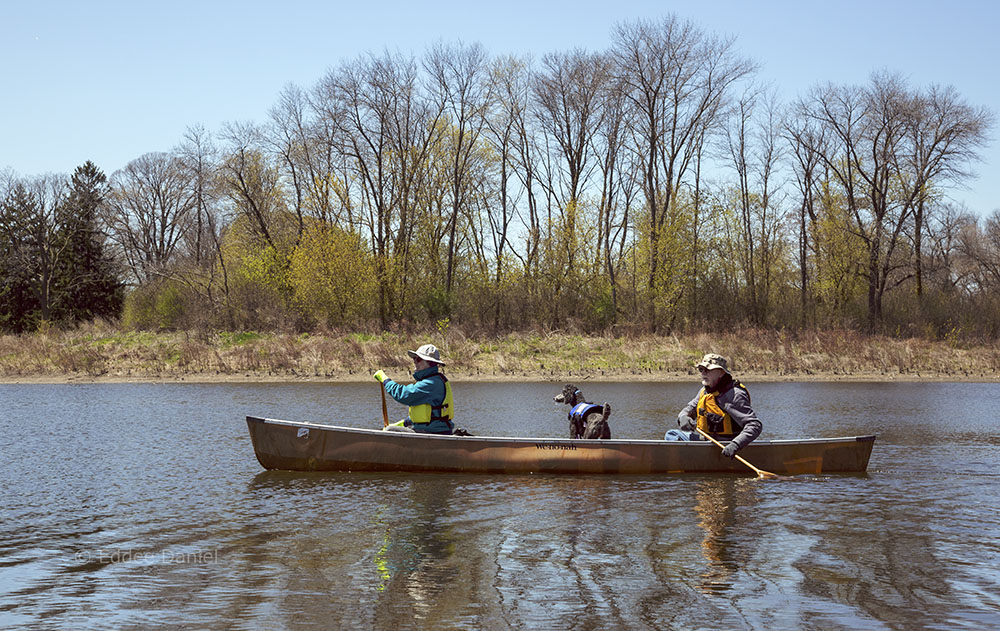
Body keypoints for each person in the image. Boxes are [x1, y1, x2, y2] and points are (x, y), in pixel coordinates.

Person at [664, 353, 762, 458]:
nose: (703, 373)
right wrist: (683, 417)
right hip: (705, 441)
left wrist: (736, 444)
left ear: (721, 372)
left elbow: (754, 425)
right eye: (701, 369)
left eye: (708, 370)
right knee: (672, 434)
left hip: (726, 445)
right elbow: (688, 410)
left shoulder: (734, 395)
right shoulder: (705, 391)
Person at [373, 344, 455, 435]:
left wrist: (385, 380)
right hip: (429, 430)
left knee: (389, 430)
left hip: (433, 433)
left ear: (429, 363)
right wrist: (405, 423)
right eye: (414, 359)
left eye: (418, 359)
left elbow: (403, 395)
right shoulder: (432, 380)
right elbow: (427, 413)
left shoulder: (431, 383)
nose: (415, 361)